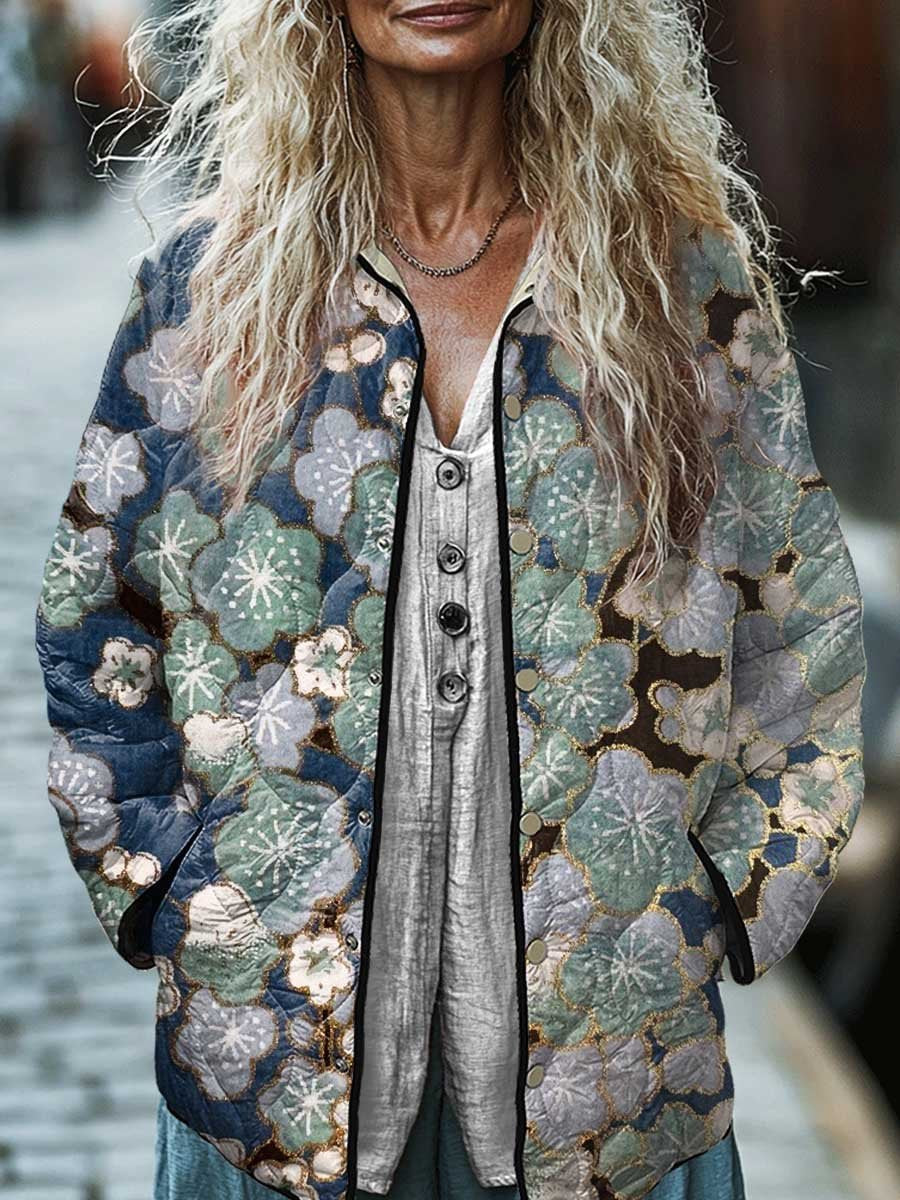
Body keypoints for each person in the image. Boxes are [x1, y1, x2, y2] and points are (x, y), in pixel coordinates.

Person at [34, 2, 867, 1200]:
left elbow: (802, 629)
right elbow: (96, 623)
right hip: (271, 1087)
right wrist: (175, 890)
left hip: (616, 1097)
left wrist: (718, 902)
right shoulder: (204, 289)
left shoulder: (676, 281)